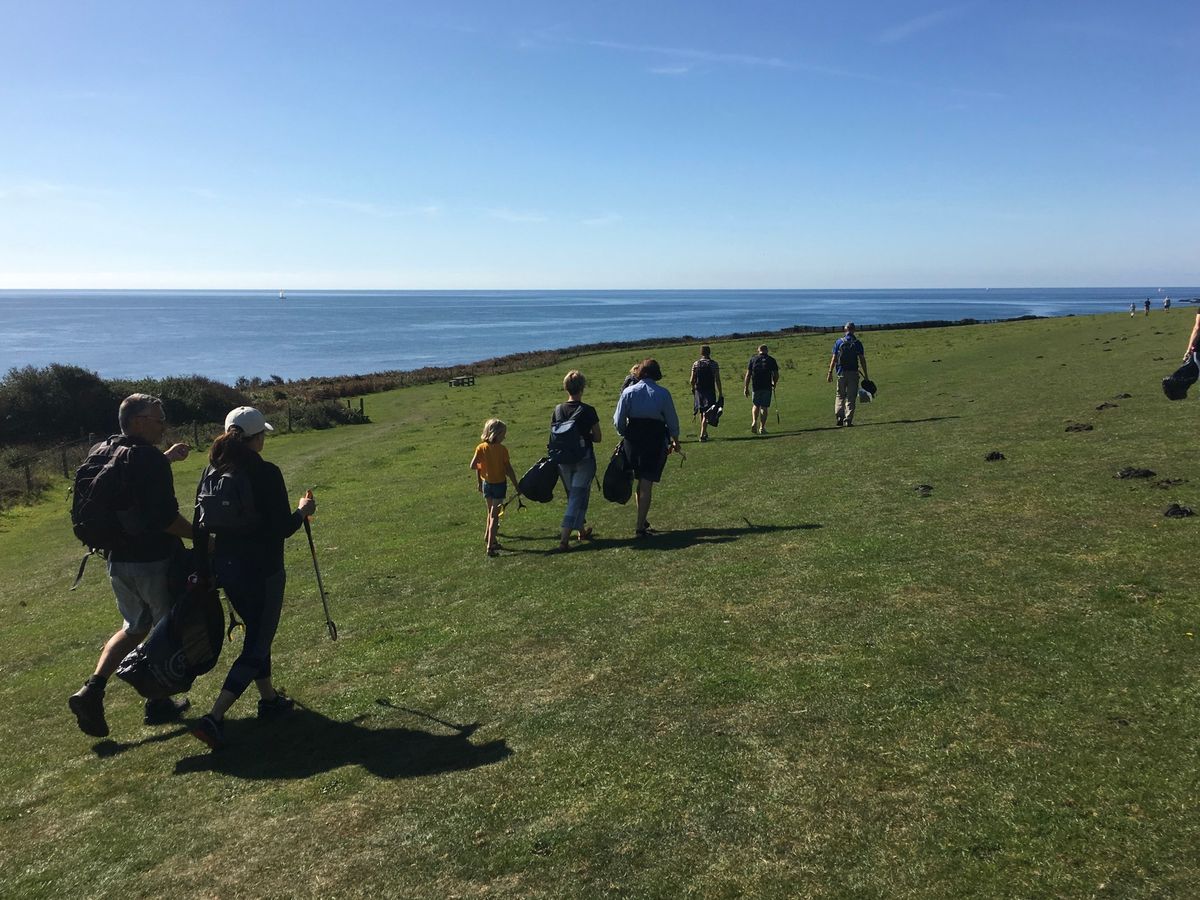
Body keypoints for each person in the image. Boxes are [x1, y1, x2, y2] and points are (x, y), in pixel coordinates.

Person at [190, 407, 316, 750]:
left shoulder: (211, 471)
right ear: (256, 438)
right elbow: (280, 529)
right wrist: (303, 511)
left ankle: (270, 699)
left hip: (228, 570)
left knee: (258, 633)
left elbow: (199, 523)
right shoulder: (266, 473)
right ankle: (213, 717)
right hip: (263, 570)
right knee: (258, 641)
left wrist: (203, 567)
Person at [68, 393, 193, 738]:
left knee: (134, 627)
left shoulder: (104, 451)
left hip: (117, 559)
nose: (164, 424)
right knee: (167, 628)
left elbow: (126, 489)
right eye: (158, 419)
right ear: (138, 422)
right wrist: (201, 537)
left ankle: (92, 690)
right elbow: (166, 519)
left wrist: (164, 458)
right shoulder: (146, 459)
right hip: (154, 559)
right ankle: (157, 701)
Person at [613, 359, 680, 537]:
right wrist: (675, 440)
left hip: (633, 440)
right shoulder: (663, 393)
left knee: (640, 480)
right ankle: (639, 527)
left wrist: (625, 434)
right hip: (655, 439)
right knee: (646, 483)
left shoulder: (628, 392)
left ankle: (642, 520)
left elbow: (618, 421)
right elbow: (672, 420)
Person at [550, 370, 602, 552]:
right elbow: (597, 437)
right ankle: (564, 538)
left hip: (562, 460)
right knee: (576, 498)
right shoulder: (588, 411)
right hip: (584, 459)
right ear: (582, 387)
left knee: (577, 496)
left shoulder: (557, 410)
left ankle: (581, 530)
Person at [470, 418, 520, 557]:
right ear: (496, 434)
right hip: (499, 485)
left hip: (487, 484)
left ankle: (489, 537)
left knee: (490, 513)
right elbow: (508, 469)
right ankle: (490, 547)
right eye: (503, 434)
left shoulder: (481, 448)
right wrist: (517, 485)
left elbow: (473, 465)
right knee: (494, 516)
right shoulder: (502, 450)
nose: (505, 436)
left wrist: (483, 473)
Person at [827, 322, 869, 427]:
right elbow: (862, 360)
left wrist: (830, 372)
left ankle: (839, 417)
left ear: (845, 330)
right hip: (853, 373)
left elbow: (834, 359)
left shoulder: (838, 342)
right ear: (854, 330)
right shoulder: (857, 343)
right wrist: (866, 374)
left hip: (841, 373)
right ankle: (848, 419)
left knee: (840, 395)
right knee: (851, 397)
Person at [690, 345, 724, 443]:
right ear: (709, 352)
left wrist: (693, 389)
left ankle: (704, 432)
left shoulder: (696, 364)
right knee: (707, 413)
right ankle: (702, 435)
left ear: (701, 353)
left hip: (699, 391)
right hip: (710, 390)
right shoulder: (714, 364)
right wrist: (720, 392)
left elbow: (692, 379)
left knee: (702, 412)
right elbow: (717, 379)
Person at [743, 344, 779, 434]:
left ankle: (754, 421)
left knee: (756, 405)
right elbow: (776, 374)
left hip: (756, 386)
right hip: (767, 386)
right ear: (767, 350)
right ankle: (762, 428)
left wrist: (746, 387)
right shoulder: (771, 360)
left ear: (758, 350)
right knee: (764, 407)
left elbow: (748, 375)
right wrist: (774, 383)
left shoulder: (753, 359)